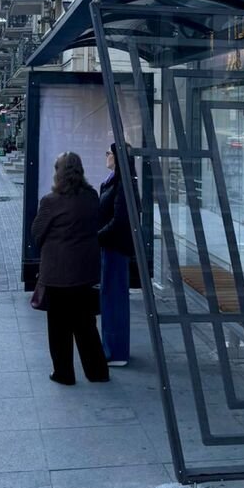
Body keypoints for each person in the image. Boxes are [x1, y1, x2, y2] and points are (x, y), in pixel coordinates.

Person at [32, 151, 109, 386]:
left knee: (58, 327)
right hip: (85, 271)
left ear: (59, 173)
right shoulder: (91, 196)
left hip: (58, 273)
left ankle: (64, 373)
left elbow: (36, 232)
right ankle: (97, 371)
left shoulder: (50, 201)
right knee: (86, 323)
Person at [98, 143, 136, 367]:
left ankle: (116, 351)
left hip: (115, 247)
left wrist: (98, 236)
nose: (106, 156)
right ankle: (110, 347)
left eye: (109, 153)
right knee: (109, 297)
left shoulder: (122, 183)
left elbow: (120, 220)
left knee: (114, 299)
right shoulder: (114, 180)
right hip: (110, 245)